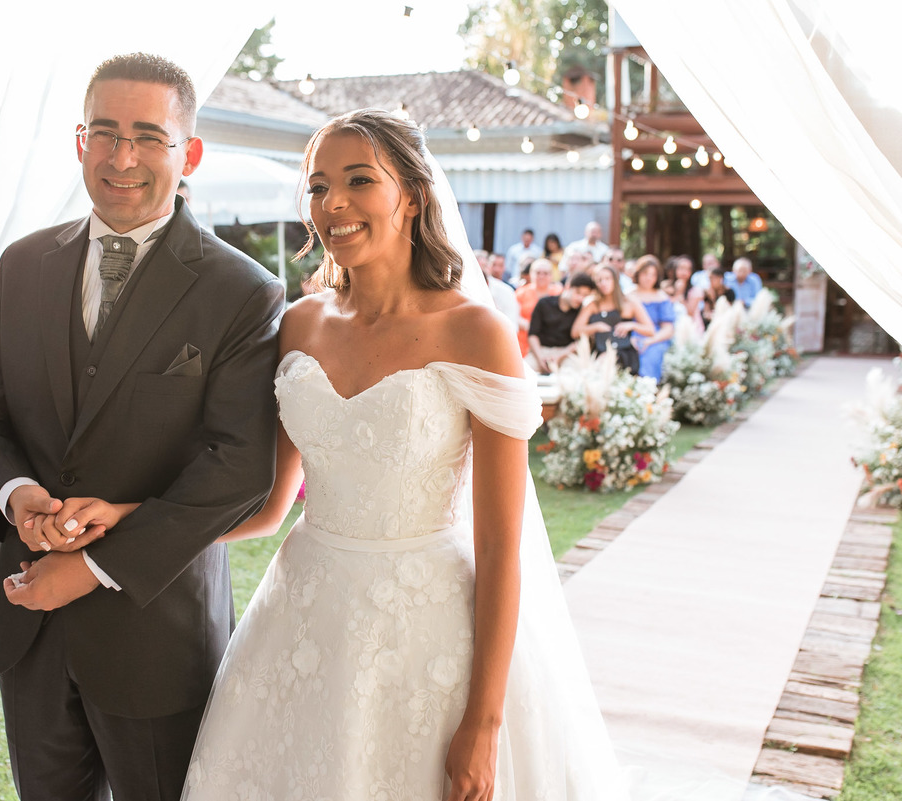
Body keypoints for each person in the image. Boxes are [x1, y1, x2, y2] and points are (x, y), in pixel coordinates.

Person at [182, 109, 627, 800]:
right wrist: (138, 524)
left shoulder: (474, 331)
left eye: (359, 180)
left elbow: (502, 544)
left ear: (412, 195)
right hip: (302, 623)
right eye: (318, 186)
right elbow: (269, 505)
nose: (333, 204)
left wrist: (483, 720)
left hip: (427, 642)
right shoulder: (299, 324)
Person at [0, 53, 284, 801]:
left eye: (148, 136)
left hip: (155, 633)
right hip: (28, 619)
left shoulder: (243, 292)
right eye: (104, 132)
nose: (122, 157)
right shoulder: (23, 265)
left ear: (187, 151)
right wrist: (17, 494)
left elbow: (237, 470)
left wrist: (95, 567)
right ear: (80, 141)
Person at [572, 264, 654, 373]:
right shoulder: (592, 303)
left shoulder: (629, 302)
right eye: (599, 280)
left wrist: (631, 325)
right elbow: (575, 332)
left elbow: (650, 330)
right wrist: (595, 327)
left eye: (607, 279)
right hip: (600, 350)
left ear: (615, 280)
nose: (603, 283)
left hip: (624, 351)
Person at [527, 271, 597, 374]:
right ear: (568, 287)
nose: (580, 298)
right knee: (523, 371)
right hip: (541, 351)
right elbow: (533, 334)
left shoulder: (582, 311)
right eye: (578, 292)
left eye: (585, 295)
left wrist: (560, 356)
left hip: (567, 354)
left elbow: (582, 340)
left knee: (571, 375)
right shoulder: (544, 303)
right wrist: (540, 358)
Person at [627, 255, 675, 381]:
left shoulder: (662, 297)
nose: (649, 278)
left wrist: (650, 341)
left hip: (656, 339)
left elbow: (668, 329)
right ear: (638, 274)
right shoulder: (628, 295)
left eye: (653, 275)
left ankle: (648, 388)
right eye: (645, 273)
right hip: (632, 337)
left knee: (650, 355)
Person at [514, 257, 561, 356]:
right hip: (524, 342)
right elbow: (513, 315)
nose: (541, 276)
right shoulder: (521, 293)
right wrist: (528, 325)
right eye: (538, 273)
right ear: (531, 274)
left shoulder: (558, 293)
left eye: (545, 273)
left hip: (551, 343)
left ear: (551, 275)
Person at [484, 251, 521, 326]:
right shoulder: (481, 285)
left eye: (500, 265)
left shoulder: (509, 289)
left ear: (505, 267)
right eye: (493, 265)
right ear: (487, 266)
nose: (497, 269)